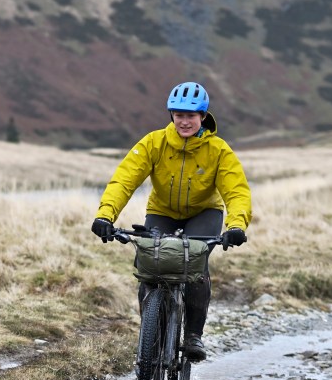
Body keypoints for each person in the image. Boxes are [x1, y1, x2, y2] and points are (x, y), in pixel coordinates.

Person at [91, 81, 251, 361]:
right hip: (162, 212)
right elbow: (124, 180)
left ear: (203, 116)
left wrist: (236, 226)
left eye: (191, 116)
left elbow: (236, 191)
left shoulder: (218, 150)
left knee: (195, 266)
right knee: (150, 266)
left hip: (204, 213)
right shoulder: (153, 143)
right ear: (171, 116)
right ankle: (150, 334)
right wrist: (105, 215)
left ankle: (193, 335)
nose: (184, 121)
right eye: (179, 115)